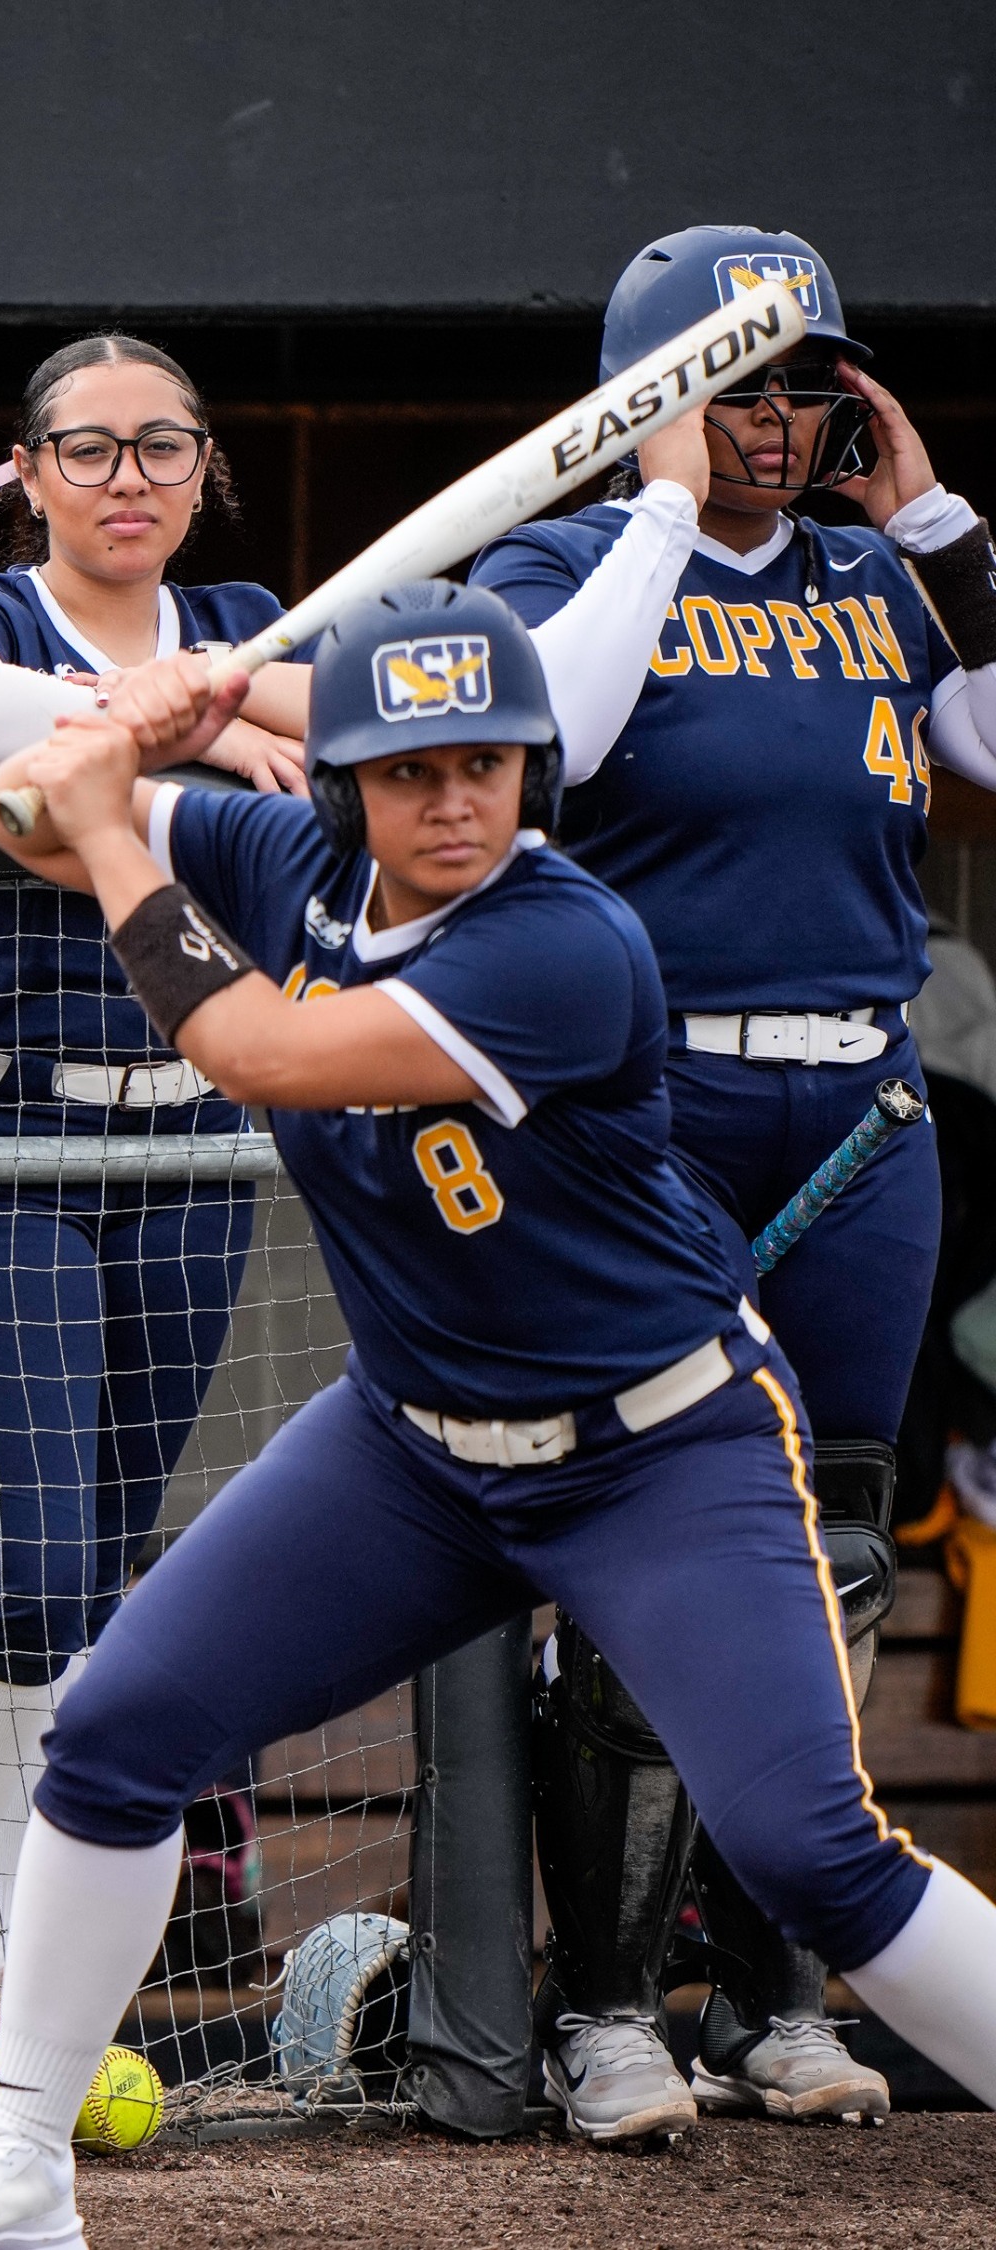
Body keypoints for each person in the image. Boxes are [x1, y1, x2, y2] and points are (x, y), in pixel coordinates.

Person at [0, 588, 996, 2250]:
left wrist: (116, 826)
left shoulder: (564, 941)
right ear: (344, 785)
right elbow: (24, 808)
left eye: (489, 765)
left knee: (815, 1860)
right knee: (113, 1742)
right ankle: (20, 2169)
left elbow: (261, 1049)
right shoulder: (281, 856)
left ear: (534, 775)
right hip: (415, 1447)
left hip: (656, 1448)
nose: (455, 803)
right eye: (410, 770)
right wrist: (134, 729)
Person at [474, 224, 996, 2137]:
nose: (770, 424)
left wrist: (940, 527)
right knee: (646, 1542)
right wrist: (661, 508)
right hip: (653, 1109)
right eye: (729, 384)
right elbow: (551, 751)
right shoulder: (559, 560)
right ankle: (604, 2002)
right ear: (646, 401)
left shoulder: (877, 577)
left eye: (799, 386)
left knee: (827, 1555)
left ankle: (778, 1988)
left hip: (859, 1110)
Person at [0, 335, 310, 2069]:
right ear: (27, 471)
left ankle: (8, 1963)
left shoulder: (259, 613)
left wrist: (219, 697)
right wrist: (195, 726)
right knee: (29, 1577)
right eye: (90, 449)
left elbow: (362, 716)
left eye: (163, 449)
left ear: (204, 470)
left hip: (183, 1137)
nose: (129, 479)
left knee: (103, 1579)